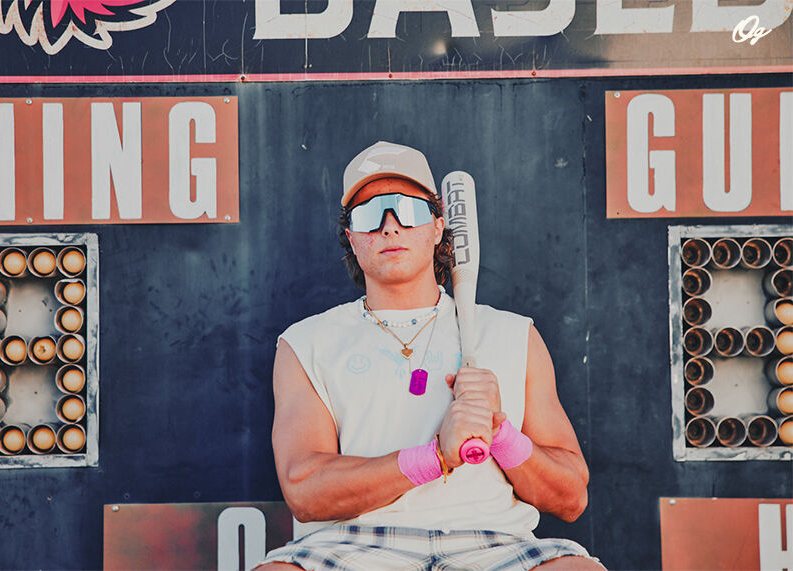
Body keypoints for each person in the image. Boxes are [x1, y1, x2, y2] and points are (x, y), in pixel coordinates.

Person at [258, 142, 603, 570]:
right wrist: (434, 457)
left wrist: (500, 433)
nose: (390, 227)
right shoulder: (306, 343)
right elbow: (306, 491)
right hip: (353, 545)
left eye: (408, 209)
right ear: (352, 238)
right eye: (369, 214)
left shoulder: (513, 334)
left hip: (493, 543)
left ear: (439, 226)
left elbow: (570, 497)